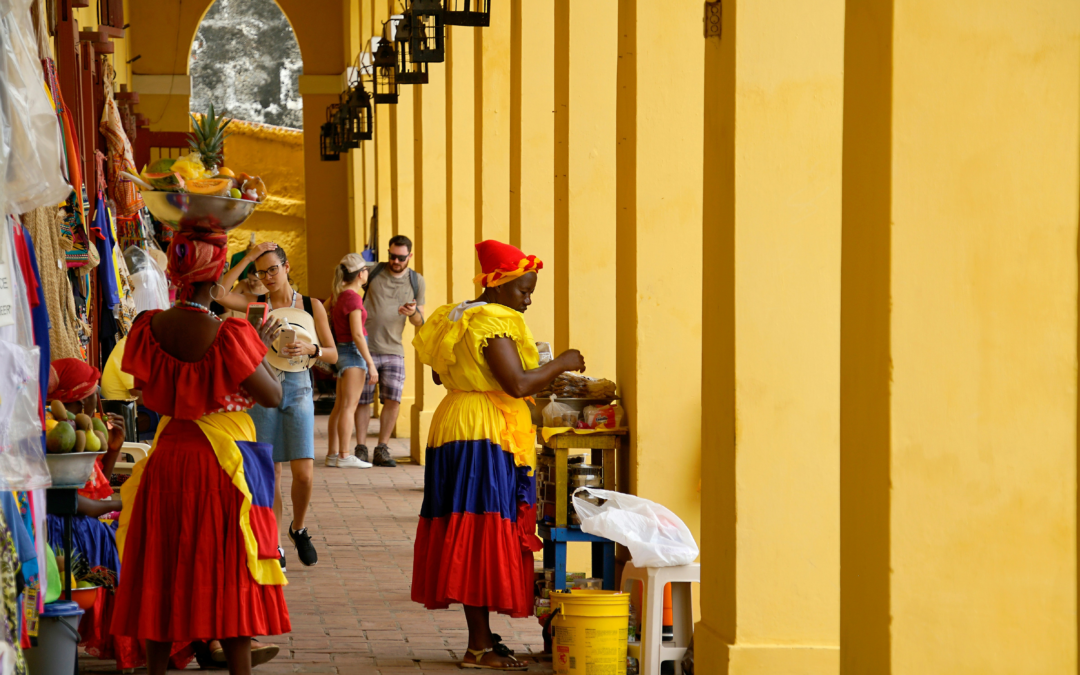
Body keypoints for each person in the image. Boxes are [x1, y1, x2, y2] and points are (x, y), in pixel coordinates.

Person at [111, 231, 290, 675]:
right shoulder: (230, 333)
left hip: (168, 457)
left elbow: (141, 387)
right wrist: (259, 346)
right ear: (216, 282)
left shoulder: (148, 327)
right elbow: (272, 395)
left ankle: (156, 668)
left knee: (163, 562)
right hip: (220, 464)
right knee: (227, 566)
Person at [411, 240, 586, 671]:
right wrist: (563, 361)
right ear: (499, 286)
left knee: (470, 526)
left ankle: (483, 638)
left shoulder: (456, 315)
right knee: (481, 531)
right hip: (483, 431)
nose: (527, 300)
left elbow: (438, 372)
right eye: (523, 290)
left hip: (456, 420)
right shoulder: (492, 321)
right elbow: (518, 385)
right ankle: (477, 647)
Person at [217, 242, 337, 569]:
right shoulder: (256, 305)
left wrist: (311, 349)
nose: (267, 277)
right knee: (271, 472)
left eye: (273, 269)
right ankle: (274, 544)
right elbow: (218, 292)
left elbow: (333, 353)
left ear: (286, 267)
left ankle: (298, 527)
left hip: (298, 387)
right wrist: (249, 258)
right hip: (265, 386)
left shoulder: (312, 306)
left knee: (305, 473)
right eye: (262, 271)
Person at [356, 234, 425, 467]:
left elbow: (420, 321)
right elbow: (348, 284)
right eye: (392, 256)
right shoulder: (372, 271)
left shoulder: (416, 281)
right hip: (365, 345)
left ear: (410, 256)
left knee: (393, 399)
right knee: (363, 400)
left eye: (401, 258)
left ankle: (382, 449)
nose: (395, 261)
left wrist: (412, 312)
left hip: (394, 348)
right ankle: (361, 447)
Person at [325, 254, 378, 468]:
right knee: (349, 407)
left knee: (339, 407)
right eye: (365, 270)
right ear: (360, 274)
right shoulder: (354, 298)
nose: (367, 273)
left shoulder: (338, 295)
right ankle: (345, 455)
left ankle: (332, 454)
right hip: (354, 352)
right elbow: (357, 334)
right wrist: (371, 363)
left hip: (341, 351)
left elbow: (323, 311)